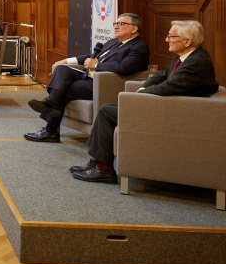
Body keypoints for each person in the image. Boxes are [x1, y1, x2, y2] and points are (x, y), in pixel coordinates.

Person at [70, 21, 220, 183]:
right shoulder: (186, 57)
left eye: (171, 36)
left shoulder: (197, 61)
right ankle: (98, 163)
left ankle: (104, 168)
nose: (166, 39)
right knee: (107, 110)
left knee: (106, 111)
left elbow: (169, 87)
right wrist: (142, 90)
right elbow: (160, 76)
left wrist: (140, 96)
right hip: (170, 106)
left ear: (187, 41)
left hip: (179, 115)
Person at [24, 13, 150, 143]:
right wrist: (67, 61)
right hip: (88, 77)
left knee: (62, 88)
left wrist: (96, 64)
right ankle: (52, 107)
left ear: (134, 29)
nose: (116, 27)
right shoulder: (114, 42)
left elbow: (124, 67)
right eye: (115, 24)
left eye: (121, 24)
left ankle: (50, 127)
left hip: (103, 84)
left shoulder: (139, 47)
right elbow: (90, 55)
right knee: (61, 70)